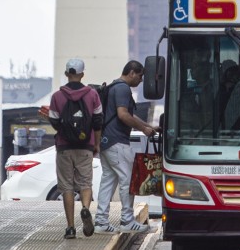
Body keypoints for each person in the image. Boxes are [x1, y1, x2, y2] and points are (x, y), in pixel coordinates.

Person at [95, 60, 158, 234]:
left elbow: (127, 115)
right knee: (127, 181)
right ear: (131, 72)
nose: (141, 80)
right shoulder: (123, 88)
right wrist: (144, 129)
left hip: (107, 142)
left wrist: (148, 127)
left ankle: (101, 222)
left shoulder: (113, 87)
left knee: (108, 181)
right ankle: (127, 221)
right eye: (140, 76)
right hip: (118, 143)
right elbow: (123, 115)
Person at [44, 58, 102, 239]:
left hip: (64, 147)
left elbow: (54, 121)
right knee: (85, 183)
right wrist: (96, 144)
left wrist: (64, 131)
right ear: (82, 74)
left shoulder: (57, 96)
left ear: (67, 74)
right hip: (85, 146)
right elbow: (98, 122)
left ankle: (70, 227)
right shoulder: (93, 95)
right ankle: (85, 208)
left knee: (66, 186)